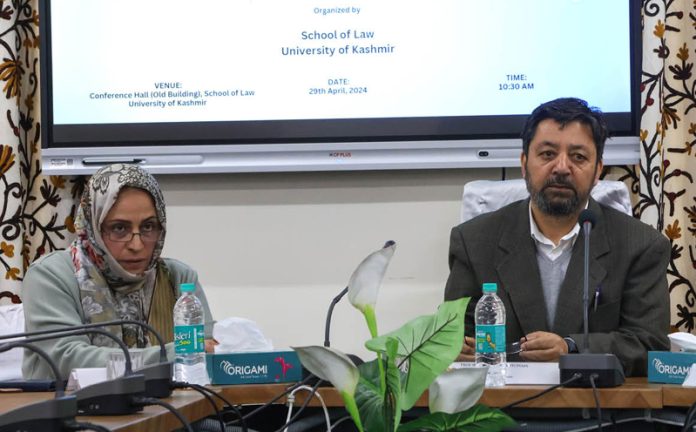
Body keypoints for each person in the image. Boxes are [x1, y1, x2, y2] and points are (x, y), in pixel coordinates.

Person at [444, 97, 670, 377]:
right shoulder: (474, 241)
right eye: (548, 154)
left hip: (600, 409)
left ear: (598, 169)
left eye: (578, 157)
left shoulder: (641, 245)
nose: (562, 167)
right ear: (524, 163)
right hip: (502, 412)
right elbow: (453, 336)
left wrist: (571, 347)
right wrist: (455, 348)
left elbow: (650, 343)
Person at [22, 163, 216, 380]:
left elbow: (209, 353)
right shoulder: (50, 276)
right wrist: (172, 354)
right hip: (73, 410)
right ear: (93, 226)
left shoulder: (178, 277)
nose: (137, 244)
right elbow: (68, 360)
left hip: (171, 409)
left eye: (148, 227)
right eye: (119, 228)